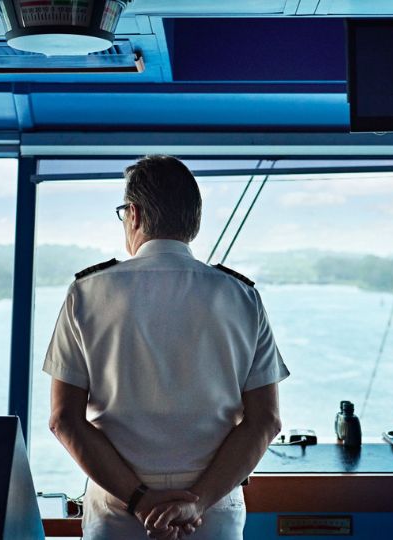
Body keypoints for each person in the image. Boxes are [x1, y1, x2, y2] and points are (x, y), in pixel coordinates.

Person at [44, 155, 289, 539]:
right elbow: (265, 420)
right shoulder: (241, 296)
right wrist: (197, 502)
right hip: (211, 516)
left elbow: (64, 419)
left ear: (134, 214)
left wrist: (141, 502)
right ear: (193, 220)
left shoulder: (87, 294)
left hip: (119, 513)